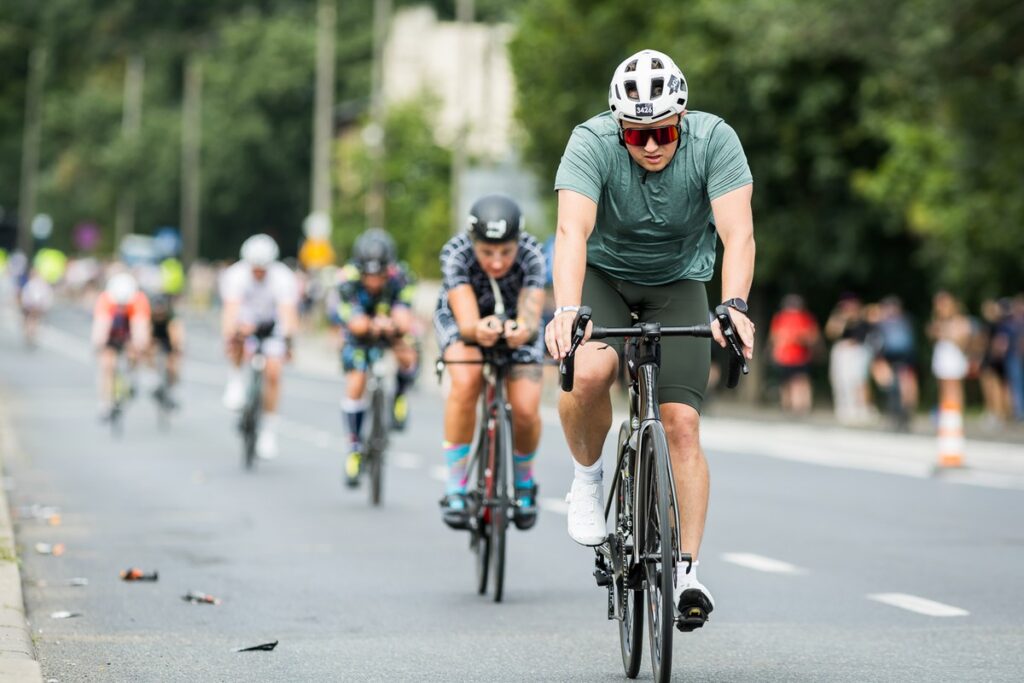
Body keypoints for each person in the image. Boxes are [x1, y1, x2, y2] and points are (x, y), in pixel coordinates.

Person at [545, 49, 755, 630]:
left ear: (681, 119)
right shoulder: (590, 141)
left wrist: (733, 304)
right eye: (637, 135)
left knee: (682, 422)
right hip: (604, 276)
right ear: (619, 126)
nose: (652, 144)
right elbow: (571, 231)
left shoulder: (715, 140)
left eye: (664, 131)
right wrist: (567, 310)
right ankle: (587, 479)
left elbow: (738, 233)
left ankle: (686, 571)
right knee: (587, 372)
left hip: (681, 280)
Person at [435, 194, 546, 531]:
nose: (497, 262)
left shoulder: (533, 254)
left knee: (525, 407)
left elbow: (530, 317)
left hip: (515, 324)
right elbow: (468, 321)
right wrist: (478, 330)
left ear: (517, 243)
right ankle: (456, 487)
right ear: (473, 243)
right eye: (486, 252)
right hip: (464, 320)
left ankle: (524, 482)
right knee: (466, 381)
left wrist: (521, 330)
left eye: (505, 252)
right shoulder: (455, 253)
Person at [328, 228, 419, 487]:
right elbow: (354, 322)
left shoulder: (402, 277)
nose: (374, 281)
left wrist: (394, 326)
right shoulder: (346, 278)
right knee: (356, 381)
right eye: (369, 275)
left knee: (408, 352)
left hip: (390, 326)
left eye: (379, 275)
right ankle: (354, 447)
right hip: (360, 333)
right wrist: (372, 325)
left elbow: (404, 317)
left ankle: (400, 396)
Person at [220, 234, 299, 459]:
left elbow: (288, 315)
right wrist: (231, 334)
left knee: (274, 372)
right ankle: (235, 380)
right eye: (254, 268)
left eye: (262, 269)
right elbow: (230, 312)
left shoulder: (283, 278)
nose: (258, 273)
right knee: (235, 338)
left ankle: (268, 432)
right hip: (245, 320)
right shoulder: (235, 275)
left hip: (272, 324)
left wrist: (289, 342)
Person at [91, 272, 151, 420]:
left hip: (129, 329)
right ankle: (105, 402)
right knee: (106, 365)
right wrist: (99, 344)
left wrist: (139, 346)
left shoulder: (139, 300)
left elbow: (140, 328)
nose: (122, 307)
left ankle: (132, 376)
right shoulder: (104, 300)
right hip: (111, 330)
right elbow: (100, 327)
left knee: (136, 350)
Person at [868, 296, 918, 430]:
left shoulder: (903, 321)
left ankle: (903, 416)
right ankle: (894, 416)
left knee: (904, 390)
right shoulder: (881, 323)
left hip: (903, 360)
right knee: (891, 388)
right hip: (887, 360)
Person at [825, 294, 874, 424]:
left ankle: (863, 408)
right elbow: (831, 333)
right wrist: (842, 320)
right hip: (842, 352)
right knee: (841, 380)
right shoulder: (839, 319)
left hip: (858, 352)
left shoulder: (864, 318)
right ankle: (844, 408)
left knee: (859, 380)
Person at [768, 294, 819, 414]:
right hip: (785, 356)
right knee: (786, 382)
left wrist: (797, 338)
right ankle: (788, 407)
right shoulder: (780, 317)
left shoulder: (805, 318)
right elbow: (775, 337)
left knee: (800, 381)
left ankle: (802, 407)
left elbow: (812, 337)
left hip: (800, 356)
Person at [927, 290, 972, 411]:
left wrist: (947, 334)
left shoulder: (960, 320)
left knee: (954, 386)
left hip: (954, 356)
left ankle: (956, 414)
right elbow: (930, 336)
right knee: (943, 387)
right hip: (942, 356)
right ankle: (946, 414)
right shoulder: (937, 321)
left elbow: (964, 342)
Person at [19, 268, 54, 348]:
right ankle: (31, 332)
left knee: (31, 320)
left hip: (33, 305)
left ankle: (30, 333)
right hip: (35, 305)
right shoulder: (38, 284)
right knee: (33, 320)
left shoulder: (33, 284)